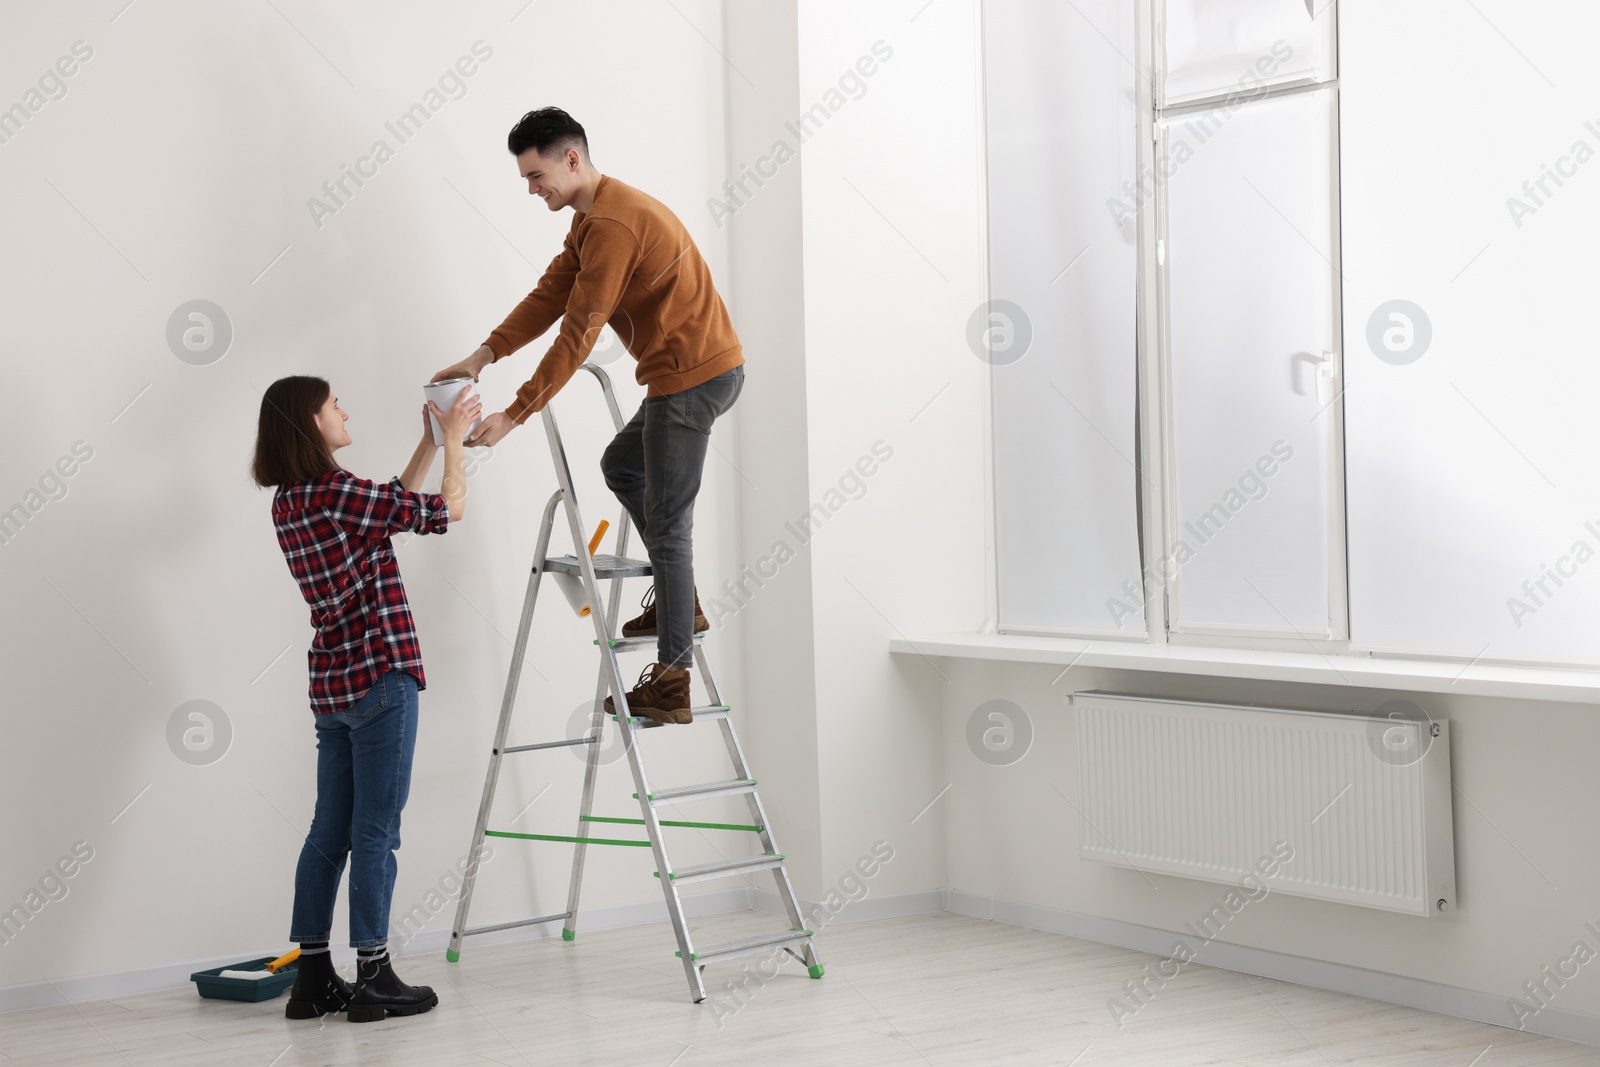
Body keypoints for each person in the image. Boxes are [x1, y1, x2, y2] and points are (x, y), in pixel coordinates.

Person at [432, 106, 744, 726]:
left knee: (669, 524)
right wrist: (483, 354)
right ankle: (680, 605)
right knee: (621, 465)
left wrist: (516, 414)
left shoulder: (614, 227)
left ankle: (672, 679)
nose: (531, 188)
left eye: (536, 174)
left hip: (690, 380)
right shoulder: (592, 221)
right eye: (525, 178)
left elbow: (579, 331)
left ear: (571, 159)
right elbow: (551, 295)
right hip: (690, 376)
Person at [251, 374, 480, 1022]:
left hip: (332, 687)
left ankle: (314, 976)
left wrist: (428, 442)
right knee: (376, 830)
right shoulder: (337, 491)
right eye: (333, 405)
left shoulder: (293, 501)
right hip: (382, 675)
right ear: (309, 423)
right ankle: (374, 974)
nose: (343, 411)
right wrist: (458, 445)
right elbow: (445, 511)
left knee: (330, 832)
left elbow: (387, 505)